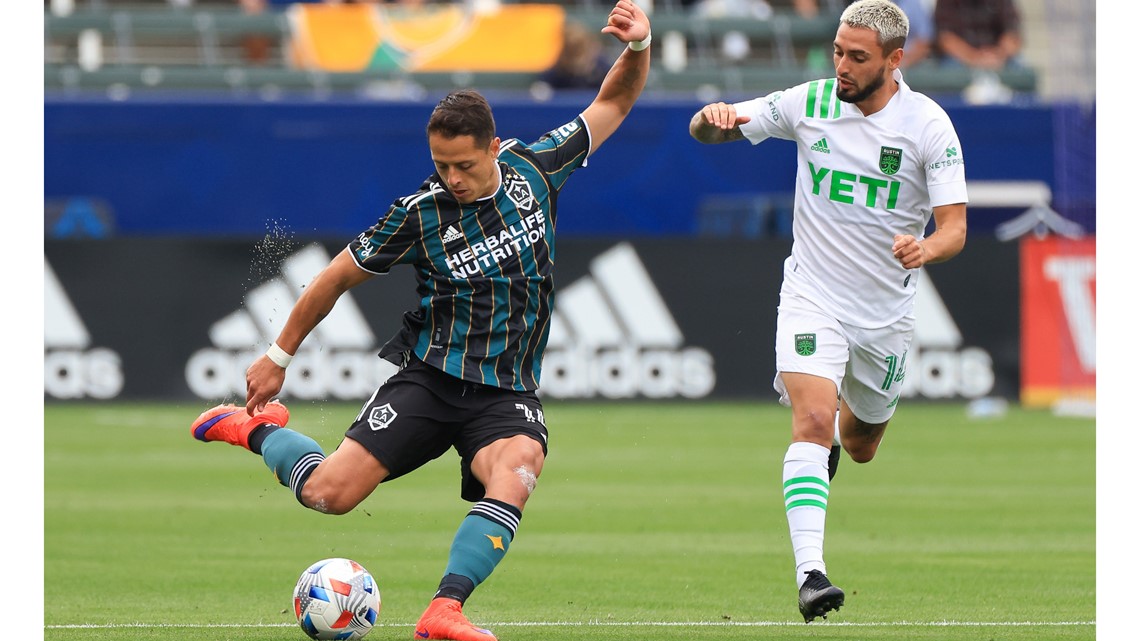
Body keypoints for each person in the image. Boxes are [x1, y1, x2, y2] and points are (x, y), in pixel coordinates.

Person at [189, 3, 651, 640]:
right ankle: (252, 430)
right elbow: (333, 278)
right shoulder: (419, 213)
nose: (453, 178)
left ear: (494, 146)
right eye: (441, 166)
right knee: (330, 495)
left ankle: (445, 610)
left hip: (506, 392)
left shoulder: (536, 170)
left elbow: (614, 104)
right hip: (430, 380)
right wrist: (279, 355)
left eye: (464, 165)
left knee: (518, 466)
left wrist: (639, 45)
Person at [689, 0, 966, 624]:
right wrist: (712, 122)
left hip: (885, 318)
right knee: (812, 421)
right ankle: (811, 574)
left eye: (857, 57)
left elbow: (955, 229)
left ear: (894, 62)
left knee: (860, 443)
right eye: (838, 51)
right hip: (813, 295)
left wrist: (925, 247)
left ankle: (834, 407)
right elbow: (716, 131)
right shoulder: (810, 103)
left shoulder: (928, 127)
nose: (841, 65)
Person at [933, 0, 1022, 71]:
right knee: (950, 68)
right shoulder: (947, 2)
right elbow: (945, 38)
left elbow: (1012, 34)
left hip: (996, 57)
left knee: (1019, 68)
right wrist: (974, 57)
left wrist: (998, 55)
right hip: (961, 58)